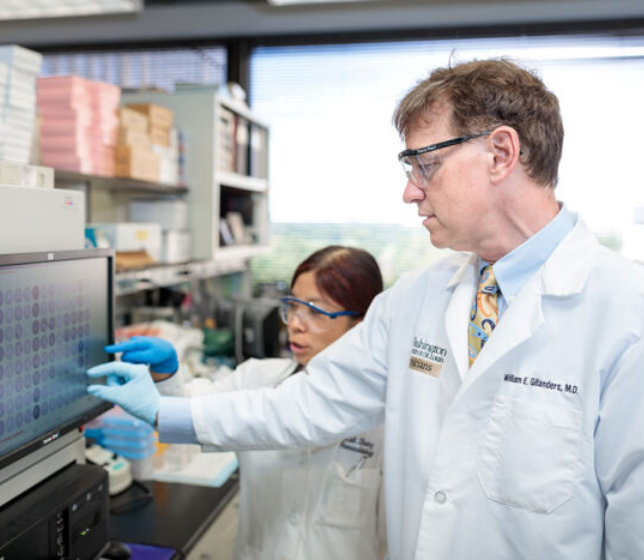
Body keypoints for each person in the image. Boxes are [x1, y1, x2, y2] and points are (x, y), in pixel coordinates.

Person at [88, 59, 644, 559]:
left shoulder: (624, 314)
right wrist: (165, 412)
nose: (410, 192)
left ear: (501, 153)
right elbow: (305, 404)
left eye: (424, 164)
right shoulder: (417, 300)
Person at [92, 246, 386, 559]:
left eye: (316, 311)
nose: (296, 323)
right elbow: (192, 411)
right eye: (293, 306)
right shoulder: (258, 377)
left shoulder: (386, 412)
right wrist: (165, 375)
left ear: (360, 325)